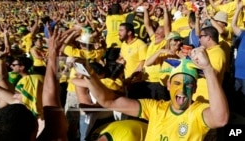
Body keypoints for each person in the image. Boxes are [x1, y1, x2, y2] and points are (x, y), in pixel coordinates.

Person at [72, 46, 229, 140]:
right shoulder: (154, 108)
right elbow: (110, 102)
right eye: (177, 83)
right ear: (168, 85)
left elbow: (220, 119)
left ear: (194, 89)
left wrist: (208, 69)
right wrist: (89, 75)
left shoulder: (197, 112)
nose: (182, 90)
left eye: (188, 85)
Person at [232, 0, 245, 102]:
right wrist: (238, 9)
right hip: (237, 74)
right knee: (236, 100)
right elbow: (233, 26)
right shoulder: (243, 34)